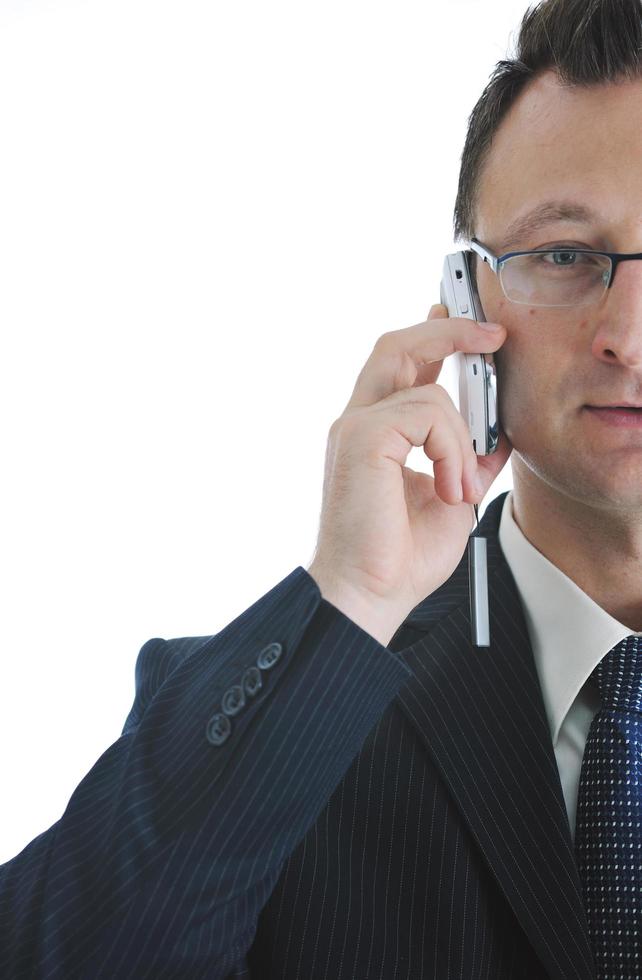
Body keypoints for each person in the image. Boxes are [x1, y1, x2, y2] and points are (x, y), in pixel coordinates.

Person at [2, 0, 641, 976]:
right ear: (465, 304)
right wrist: (350, 600)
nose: (626, 336)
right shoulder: (290, 705)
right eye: (562, 254)